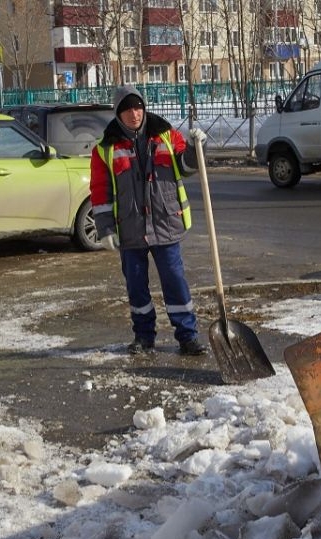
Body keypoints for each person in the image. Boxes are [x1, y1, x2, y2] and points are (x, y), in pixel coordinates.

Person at [91, 85, 208, 356]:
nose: (135, 114)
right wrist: (105, 228)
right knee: (136, 286)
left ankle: (187, 336)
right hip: (130, 229)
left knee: (175, 281)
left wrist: (195, 147)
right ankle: (144, 337)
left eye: (138, 107)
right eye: (128, 109)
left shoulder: (166, 135)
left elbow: (188, 167)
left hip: (165, 223)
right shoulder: (105, 149)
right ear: (118, 114)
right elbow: (100, 192)